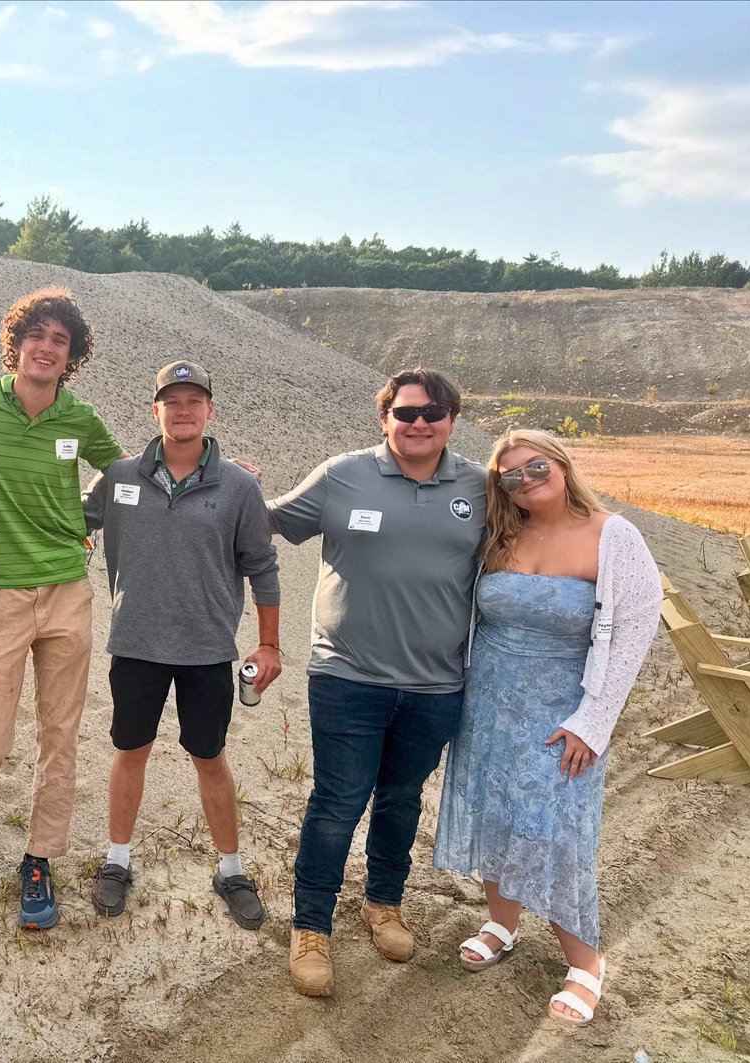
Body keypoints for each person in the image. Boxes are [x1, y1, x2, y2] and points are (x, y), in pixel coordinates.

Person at [267, 367, 486, 997]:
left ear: (451, 418)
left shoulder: (480, 485)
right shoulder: (342, 475)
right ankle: (310, 927)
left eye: (433, 412)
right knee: (338, 801)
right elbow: (270, 522)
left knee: (401, 798)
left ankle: (384, 902)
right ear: (384, 417)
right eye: (406, 413)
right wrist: (220, 483)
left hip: (437, 684)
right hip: (347, 676)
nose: (419, 423)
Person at [433, 429, 660, 1026]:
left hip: (565, 714)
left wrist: (594, 721)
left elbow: (635, 634)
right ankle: (501, 925)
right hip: (487, 705)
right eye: (510, 476)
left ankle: (586, 961)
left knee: (557, 833)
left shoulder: (614, 536)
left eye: (535, 467)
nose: (525, 480)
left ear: (560, 463)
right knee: (495, 813)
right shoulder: (501, 534)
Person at [0, 288, 123, 930]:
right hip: (1, 592)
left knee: (60, 736)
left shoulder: (80, 418)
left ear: (71, 356)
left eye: (59, 340)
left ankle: (38, 860)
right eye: (36, 335)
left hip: (70, 588)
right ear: (17, 343)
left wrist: (215, 471)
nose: (46, 348)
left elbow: (126, 475)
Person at [81, 360, 283, 928]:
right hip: (136, 644)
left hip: (207, 650)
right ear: (157, 411)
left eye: (195, 400)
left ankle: (231, 868)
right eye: (173, 401)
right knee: (131, 750)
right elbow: (68, 519)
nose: (184, 410)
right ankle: (117, 861)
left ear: (210, 411)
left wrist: (269, 646)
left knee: (210, 756)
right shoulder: (120, 475)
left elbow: (262, 568)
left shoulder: (240, 485)